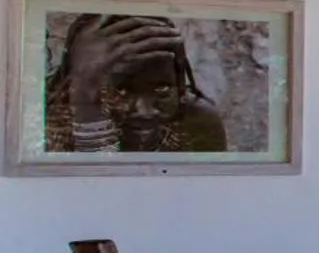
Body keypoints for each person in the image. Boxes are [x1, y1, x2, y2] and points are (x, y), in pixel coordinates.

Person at [44, 14, 227, 153]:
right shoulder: (45, 124)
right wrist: (88, 114)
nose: (144, 111)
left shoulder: (195, 123)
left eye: (162, 89)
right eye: (122, 91)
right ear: (75, 87)